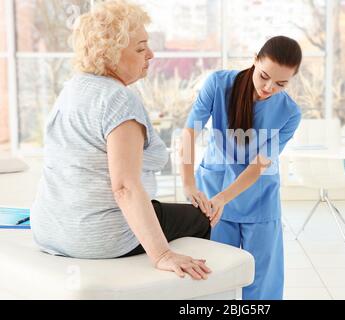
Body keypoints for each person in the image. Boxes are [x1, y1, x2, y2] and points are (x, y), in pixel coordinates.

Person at [30, 0, 211, 281]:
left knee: (162, 210)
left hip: (48, 230)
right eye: (140, 48)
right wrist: (162, 255)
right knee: (199, 218)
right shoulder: (118, 99)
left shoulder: (72, 88)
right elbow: (125, 187)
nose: (150, 54)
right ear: (109, 55)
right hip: (97, 239)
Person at [180, 36, 302, 299]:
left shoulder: (290, 113)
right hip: (212, 195)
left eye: (281, 83)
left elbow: (259, 165)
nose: (269, 87)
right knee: (212, 273)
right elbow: (190, 133)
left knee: (261, 279)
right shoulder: (218, 84)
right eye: (264, 76)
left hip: (258, 197)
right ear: (255, 60)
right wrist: (189, 184)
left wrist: (225, 197)